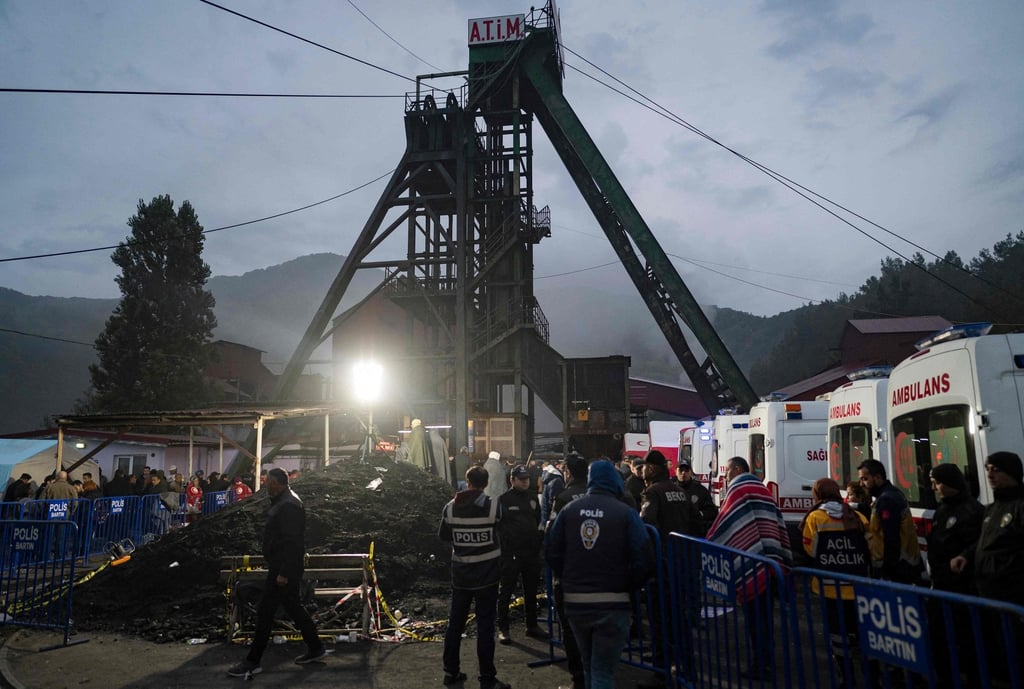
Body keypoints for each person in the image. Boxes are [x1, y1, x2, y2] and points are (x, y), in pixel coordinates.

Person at [545, 459, 654, 689]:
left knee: (588, 666)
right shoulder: (625, 513)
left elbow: (552, 550)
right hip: (613, 603)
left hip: (576, 603)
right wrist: (629, 584)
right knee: (603, 671)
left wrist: (568, 578)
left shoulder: (569, 510)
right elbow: (643, 557)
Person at [228, 468, 327, 678]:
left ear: (277, 483)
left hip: (283, 569)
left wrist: (283, 572)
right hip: (285, 567)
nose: (265, 486)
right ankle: (316, 647)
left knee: (265, 612)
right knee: (294, 608)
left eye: (268, 482)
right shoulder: (288, 501)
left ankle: (253, 661)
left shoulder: (288, 506)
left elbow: (292, 543)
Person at [707, 457, 793, 682]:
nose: (726, 478)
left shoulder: (737, 490)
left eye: (727, 473)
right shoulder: (761, 489)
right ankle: (767, 661)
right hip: (771, 562)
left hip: (752, 564)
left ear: (736, 469)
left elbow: (725, 524)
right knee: (766, 617)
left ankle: (760, 664)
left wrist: (708, 542)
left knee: (755, 620)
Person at [438, 466, 510, 689]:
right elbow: (503, 530)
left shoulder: (450, 509)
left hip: (461, 578)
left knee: (455, 625)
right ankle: (487, 678)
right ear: (486, 483)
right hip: (487, 578)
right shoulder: (493, 507)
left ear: (467, 481)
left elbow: (443, 536)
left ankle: (450, 672)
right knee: (485, 628)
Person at [637, 449, 701, 687]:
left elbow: (645, 525)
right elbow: (696, 521)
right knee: (680, 616)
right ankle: (686, 667)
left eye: (644, 467)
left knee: (659, 618)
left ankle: (661, 671)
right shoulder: (679, 491)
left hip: (661, 565)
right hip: (681, 562)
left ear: (651, 469)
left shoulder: (653, 492)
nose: (642, 470)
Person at [799, 478, 870, 686]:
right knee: (859, 632)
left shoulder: (815, 518)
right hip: (858, 586)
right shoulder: (856, 516)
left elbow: (810, 550)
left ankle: (846, 677)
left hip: (829, 587)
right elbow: (872, 548)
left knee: (837, 635)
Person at [546, 452, 590, 689]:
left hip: (570, 576)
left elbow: (552, 538)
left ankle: (579, 678)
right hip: (599, 576)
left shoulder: (563, 497)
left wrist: (558, 571)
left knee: (571, 629)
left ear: (569, 473)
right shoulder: (600, 496)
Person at [497, 465, 544, 644]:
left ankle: (531, 626)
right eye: (521, 479)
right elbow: (499, 526)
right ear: (512, 480)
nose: (525, 481)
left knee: (531, 590)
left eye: (527, 478)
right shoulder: (504, 499)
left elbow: (537, 518)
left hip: (530, 552)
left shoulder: (533, 497)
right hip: (511, 553)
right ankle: (503, 628)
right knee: (506, 591)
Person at [857, 459, 923, 584]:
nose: (861, 484)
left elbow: (891, 538)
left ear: (877, 477)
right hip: (903, 566)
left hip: (896, 570)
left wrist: (886, 571)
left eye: (864, 479)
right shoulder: (891, 494)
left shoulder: (886, 500)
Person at [674, 460, 719, 536]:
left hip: (694, 534)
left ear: (691, 472)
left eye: (686, 470)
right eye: (681, 470)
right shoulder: (670, 489)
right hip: (676, 533)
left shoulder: (700, 490)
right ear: (676, 472)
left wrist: (699, 514)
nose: (683, 473)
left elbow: (712, 512)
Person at [540, 459, 565, 525]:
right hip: (552, 521)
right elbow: (554, 504)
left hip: (546, 518)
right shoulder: (557, 481)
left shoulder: (550, 477)